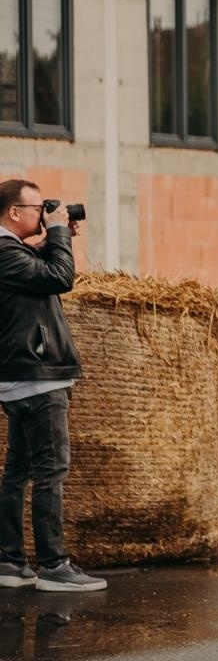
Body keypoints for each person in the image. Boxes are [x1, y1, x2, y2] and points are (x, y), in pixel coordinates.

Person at [0, 179, 103, 593]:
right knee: (50, 472)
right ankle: (54, 566)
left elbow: (35, 272)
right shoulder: (3, 251)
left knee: (18, 472)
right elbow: (59, 278)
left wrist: (54, 238)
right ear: (13, 213)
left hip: (24, 378)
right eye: (37, 206)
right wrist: (59, 234)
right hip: (36, 378)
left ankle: (10, 562)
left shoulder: (10, 252)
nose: (43, 212)